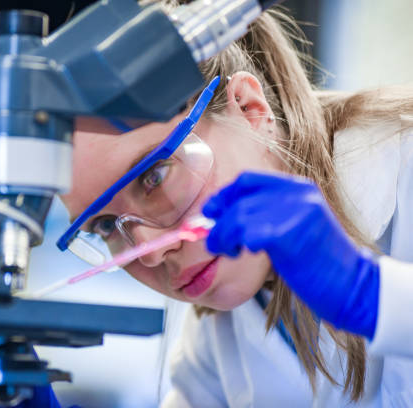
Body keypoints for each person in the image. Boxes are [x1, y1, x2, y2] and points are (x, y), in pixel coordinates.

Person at [57, 5, 413, 407]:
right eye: (104, 225)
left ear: (249, 108)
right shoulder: (212, 342)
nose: (153, 253)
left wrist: (377, 297)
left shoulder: (405, 163)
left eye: (154, 176)